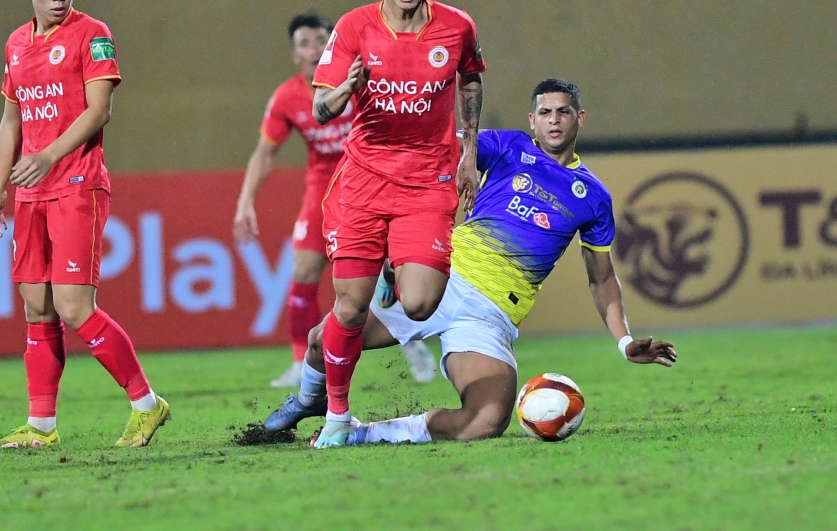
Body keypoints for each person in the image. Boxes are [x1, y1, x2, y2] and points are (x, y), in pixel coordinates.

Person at [263, 79, 677, 445]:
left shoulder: (593, 196)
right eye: (545, 112)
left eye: (563, 112)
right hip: (444, 276)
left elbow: (601, 279)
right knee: (321, 343)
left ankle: (361, 433)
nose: (554, 120)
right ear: (531, 120)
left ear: (580, 119)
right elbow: (437, 146)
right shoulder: (509, 147)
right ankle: (307, 400)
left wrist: (624, 341)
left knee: (487, 419)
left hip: (490, 315)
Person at [0, 0, 168, 449]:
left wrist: (48, 157)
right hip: (30, 192)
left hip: (77, 183)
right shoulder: (16, 43)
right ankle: (41, 426)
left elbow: (98, 110)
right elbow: (10, 121)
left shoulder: (93, 34)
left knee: (73, 306)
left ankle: (147, 405)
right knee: (36, 305)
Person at [307, 0, 485, 447]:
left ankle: (393, 267)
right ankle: (338, 416)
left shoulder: (456, 27)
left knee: (420, 304)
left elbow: (471, 77)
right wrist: (346, 88)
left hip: (428, 181)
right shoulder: (354, 27)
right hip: (364, 182)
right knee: (349, 308)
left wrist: (469, 152)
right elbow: (321, 108)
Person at [232, 12, 436, 387]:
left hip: (373, 181)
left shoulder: (362, 80)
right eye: (304, 44)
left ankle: (411, 343)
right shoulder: (287, 97)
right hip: (324, 188)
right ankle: (300, 361)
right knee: (304, 270)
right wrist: (245, 201)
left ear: (333, 45)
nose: (313, 50)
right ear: (294, 55)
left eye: (320, 41)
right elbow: (265, 152)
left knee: (398, 270)